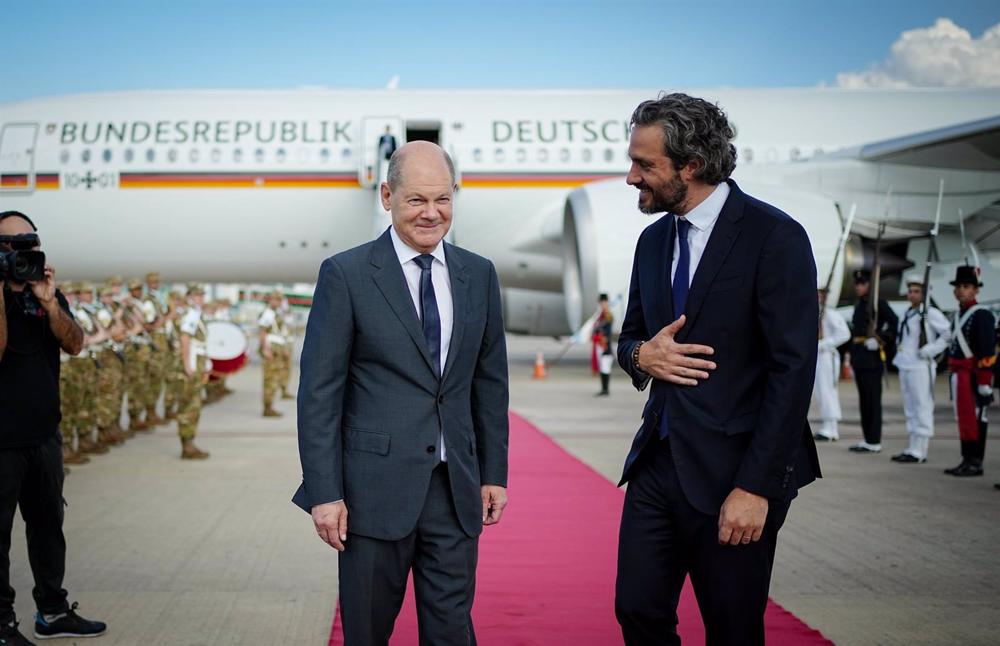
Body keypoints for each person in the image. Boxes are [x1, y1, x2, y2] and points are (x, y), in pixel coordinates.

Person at [614, 94, 821, 646]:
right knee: (636, 609)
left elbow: (792, 370)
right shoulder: (653, 241)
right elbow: (630, 337)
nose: (631, 177)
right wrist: (641, 357)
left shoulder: (774, 238)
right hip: (659, 462)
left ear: (691, 166)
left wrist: (755, 487)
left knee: (732, 629)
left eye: (645, 165)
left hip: (737, 472)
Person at [294, 141, 509, 645]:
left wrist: (493, 473)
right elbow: (319, 394)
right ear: (387, 196)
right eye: (416, 200)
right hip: (372, 495)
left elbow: (489, 383)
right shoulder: (346, 275)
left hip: (455, 489)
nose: (431, 213)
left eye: (443, 199)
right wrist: (325, 493)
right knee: (367, 632)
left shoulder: (478, 274)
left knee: (452, 631)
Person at [0, 210, 107, 645]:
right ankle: (2, 624)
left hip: (44, 435)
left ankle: (53, 610)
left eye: (27, 241)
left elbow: (75, 343)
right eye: (8, 244)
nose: (19, 251)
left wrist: (47, 299)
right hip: (2, 442)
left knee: (48, 527)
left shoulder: (44, 292)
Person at [891, 279, 950, 463]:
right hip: (906, 364)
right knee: (910, 407)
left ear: (925, 294)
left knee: (922, 406)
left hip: (921, 366)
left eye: (916, 291)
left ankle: (920, 450)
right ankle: (912, 446)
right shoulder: (908, 312)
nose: (912, 294)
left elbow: (948, 335)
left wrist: (931, 349)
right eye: (910, 291)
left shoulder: (931, 313)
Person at [945, 266, 996, 477]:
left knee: (977, 418)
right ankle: (966, 458)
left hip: (975, 376)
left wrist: (984, 381)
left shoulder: (981, 315)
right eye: (958, 287)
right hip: (960, 375)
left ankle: (976, 461)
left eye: (966, 287)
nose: (961, 291)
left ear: (976, 290)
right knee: (963, 417)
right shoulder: (958, 315)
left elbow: (987, 350)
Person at [848, 269, 898, 454]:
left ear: (870, 284)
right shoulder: (860, 304)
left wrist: (879, 340)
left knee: (872, 401)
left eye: (862, 283)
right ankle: (868, 438)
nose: (858, 287)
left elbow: (894, 323)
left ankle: (874, 440)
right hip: (860, 359)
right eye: (857, 284)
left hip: (871, 360)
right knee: (864, 401)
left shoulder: (878, 304)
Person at [176, 285, 210, 459]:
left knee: (194, 405)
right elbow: (185, 338)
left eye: (202, 295)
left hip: (198, 363)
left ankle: (189, 443)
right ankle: (187, 446)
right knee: (189, 405)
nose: (200, 298)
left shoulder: (196, 314)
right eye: (196, 295)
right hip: (191, 365)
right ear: (189, 296)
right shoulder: (190, 314)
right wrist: (187, 364)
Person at [814, 287, 851, 441]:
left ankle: (831, 428)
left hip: (827, 357)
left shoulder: (831, 315)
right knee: (821, 393)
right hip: (817, 357)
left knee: (828, 392)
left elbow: (844, 334)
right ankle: (827, 427)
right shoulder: (816, 313)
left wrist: (824, 344)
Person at [140, 272, 169, 426]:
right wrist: (167, 317)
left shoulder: (159, 298)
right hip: (155, 341)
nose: (155, 284)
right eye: (152, 282)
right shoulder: (148, 301)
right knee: (154, 379)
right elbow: (149, 325)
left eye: (157, 281)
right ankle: (150, 412)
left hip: (162, 340)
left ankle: (152, 412)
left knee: (158, 379)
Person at [258, 290, 287, 418]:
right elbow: (262, 332)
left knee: (274, 379)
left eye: (279, 300)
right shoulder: (268, 313)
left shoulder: (276, 313)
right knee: (270, 379)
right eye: (275, 299)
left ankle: (270, 406)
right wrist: (266, 349)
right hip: (272, 349)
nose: (278, 302)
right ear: (270, 300)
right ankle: (267, 407)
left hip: (277, 349)